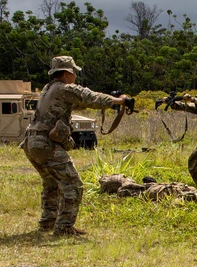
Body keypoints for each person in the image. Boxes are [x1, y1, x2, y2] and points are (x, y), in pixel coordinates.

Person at [22, 55, 129, 236]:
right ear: (67, 73)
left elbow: (80, 103)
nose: (75, 77)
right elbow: (90, 96)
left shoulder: (48, 89)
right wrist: (119, 101)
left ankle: (47, 222)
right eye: (74, 73)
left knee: (51, 183)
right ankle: (64, 227)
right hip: (45, 143)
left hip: (31, 142)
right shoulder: (65, 88)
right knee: (73, 185)